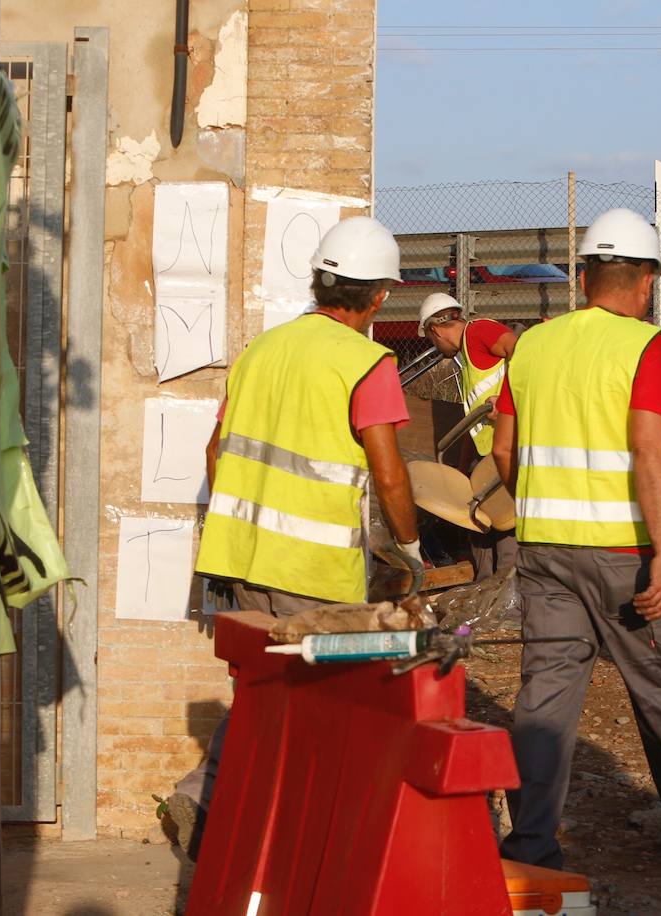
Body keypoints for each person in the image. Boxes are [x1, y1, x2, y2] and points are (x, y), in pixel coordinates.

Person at [490, 208, 661, 873]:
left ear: (584, 276)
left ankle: (530, 848)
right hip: (624, 556)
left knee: (545, 702)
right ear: (647, 281)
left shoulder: (532, 345)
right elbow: (652, 451)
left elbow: (505, 449)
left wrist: (540, 506)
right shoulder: (643, 347)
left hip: (543, 549)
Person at [165, 216, 424, 857]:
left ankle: (208, 800)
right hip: (310, 573)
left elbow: (215, 451)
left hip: (237, 561)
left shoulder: (264, 349)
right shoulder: (368, 363)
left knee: (259, 690)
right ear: (381, 295)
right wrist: (411, 549)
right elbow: (389, 473)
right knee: (327, 703)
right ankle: (306, 835)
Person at [418, 292, 519, 577]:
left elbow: (521, 349)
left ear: (435, 330)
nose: (435, 347)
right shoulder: (465, 358)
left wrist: (507, 399)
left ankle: (505, 602)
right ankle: (484, 593)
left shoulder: (478, 332)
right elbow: (472, 422)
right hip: (485, 456)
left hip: (505, 451)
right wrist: (463, 470)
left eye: (431, 340)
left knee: (504, 530)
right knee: (478, 529)